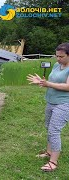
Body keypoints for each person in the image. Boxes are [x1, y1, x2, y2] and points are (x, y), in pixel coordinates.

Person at [27, 42, 69, 172]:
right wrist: (42, 82)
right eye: (57, 56)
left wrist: (48, 84)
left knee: (54, 130)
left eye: (61, 57)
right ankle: (49, 152)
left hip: (64, 104)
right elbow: (53, 81)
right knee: (48, 127)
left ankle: (53, 162)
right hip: (51, 101)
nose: (58, 59)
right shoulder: (57, 65)